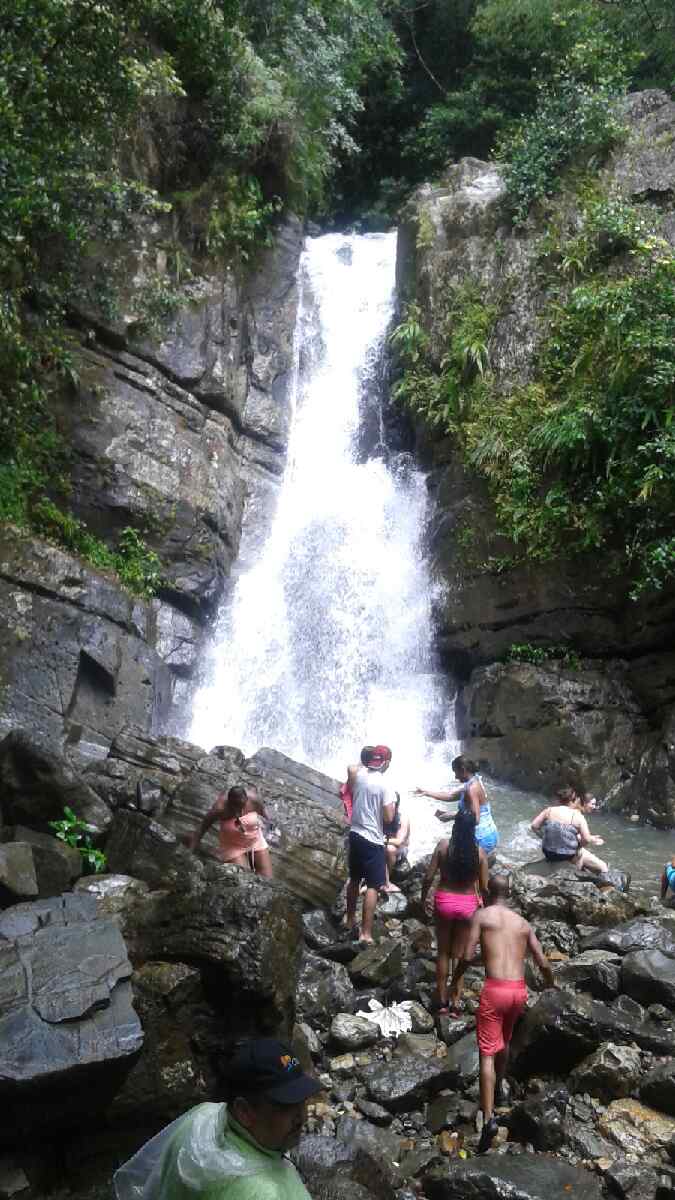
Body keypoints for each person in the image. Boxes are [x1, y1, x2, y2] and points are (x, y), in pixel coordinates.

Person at [113, 1037, 321, 1200]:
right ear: (245, 1112)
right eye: (285, 1107)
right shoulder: (264, 1194)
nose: (301, 1116)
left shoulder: (202, 1118)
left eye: (302, 1101)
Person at [451, 875, 554, 1154]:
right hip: (518, 992)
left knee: (486, 1052)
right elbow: (542, 961)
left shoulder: (482, 916)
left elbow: (466, 955)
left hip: (495, 990)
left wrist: (454, 982)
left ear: (486, 892)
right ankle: (499, 1087)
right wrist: (551, 983)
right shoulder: (522, 923)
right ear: (509, 894)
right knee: (504, 1041)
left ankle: (488, 1119)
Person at [421, 808, 489, 1016]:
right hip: (467, 905)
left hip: (444, 901)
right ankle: (456, 1003)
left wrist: (424, 898)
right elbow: (485, 887)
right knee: (459, 955)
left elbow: (428, 877)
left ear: (455, 824)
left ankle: (441, 1001)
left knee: (442, 952)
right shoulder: (479, 853)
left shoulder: (443, 846)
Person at [344, 744, 396, 945]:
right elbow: (389, 816)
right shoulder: (385, 784)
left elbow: (351, 769)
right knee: (374, 885)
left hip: (355, 833)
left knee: (354, 878)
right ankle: (365, 933)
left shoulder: (358, 776)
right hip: (372, 839)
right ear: (385, 763)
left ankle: (349, 920)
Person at [415, 756, 499, 859]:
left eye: (456, 772)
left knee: (444, 854)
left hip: (480, 837)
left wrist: (452, 815)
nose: (455, 777)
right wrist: (426, 792)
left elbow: (476, 818)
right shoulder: (474, 781)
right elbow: (451, 796)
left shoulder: (471, 789)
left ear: (463, 770)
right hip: (488, 833)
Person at [188, 785, 273, 878]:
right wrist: (189, 853)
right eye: (235, 807)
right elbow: (201, 829)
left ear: (246, 799)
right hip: (233, 846)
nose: (239, 812)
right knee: (243, 879)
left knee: (267, 879)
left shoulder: (254, 800)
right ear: (229, 802)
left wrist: (267, 829)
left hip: (255, 841)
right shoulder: (219, 808)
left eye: (242, 806)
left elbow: (267, 819)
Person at [531, 787, 607, 874]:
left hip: (548, 852)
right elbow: (586, 839)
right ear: (572, 799)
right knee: (581, 854)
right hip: (566, 856)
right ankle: (575, 874)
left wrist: (544, 837)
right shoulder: (577, 816)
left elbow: (534, 826)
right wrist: (580, 845)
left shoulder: (549, 810)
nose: (594, 807)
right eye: (592, 804)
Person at [383, 792, 410, 893]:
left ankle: (386, 881)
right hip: (384, 843)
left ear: (396, 805)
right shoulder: (381, 814)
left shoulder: (403, 818)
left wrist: (383, 841)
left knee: (389, 849)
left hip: (399, 848)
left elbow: (399, 842)